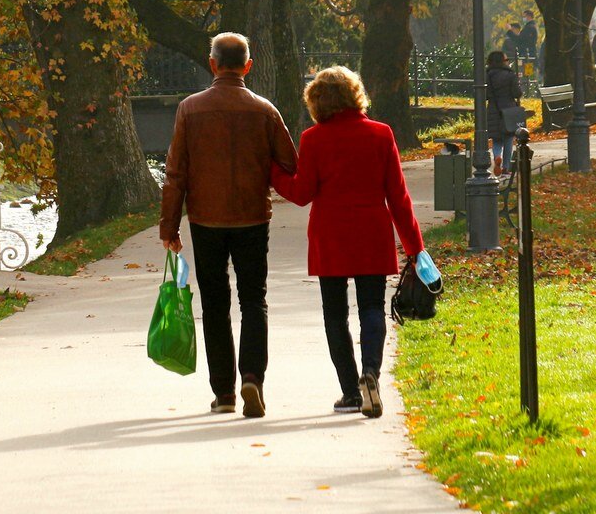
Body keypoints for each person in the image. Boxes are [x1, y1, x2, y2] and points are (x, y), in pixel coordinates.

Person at [269, 67, 424, 419]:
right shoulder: (381, 134)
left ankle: (351, 391)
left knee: (335, 315)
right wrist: (415, 247)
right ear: (356, 95)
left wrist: (274, 172)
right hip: (372, 232)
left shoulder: (313, 139)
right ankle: (371, 371)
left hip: (331, 236)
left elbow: (301, 193)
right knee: (372, 308)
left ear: (317, 101)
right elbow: (398, 197)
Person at [160, 32, 297, 419]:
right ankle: (252, 375)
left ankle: (223, 393)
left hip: (206, 219)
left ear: (213, 64)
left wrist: (169, 225)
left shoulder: (189, 109)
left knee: (215, 304)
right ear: (248, 66)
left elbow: (175, 174)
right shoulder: (266, 110)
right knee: (254, 299)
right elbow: (290, 162)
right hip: (253, 217)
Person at [486, 51, 523, 176]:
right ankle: (506, 167)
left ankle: (497, 156)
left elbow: (486, 94)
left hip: (493, 109)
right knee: (508, 138)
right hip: (508, 109)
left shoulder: (487, 75)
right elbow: (517, 93)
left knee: (496, 139)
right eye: (506, 60)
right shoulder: (510, 75)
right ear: (502, 62)